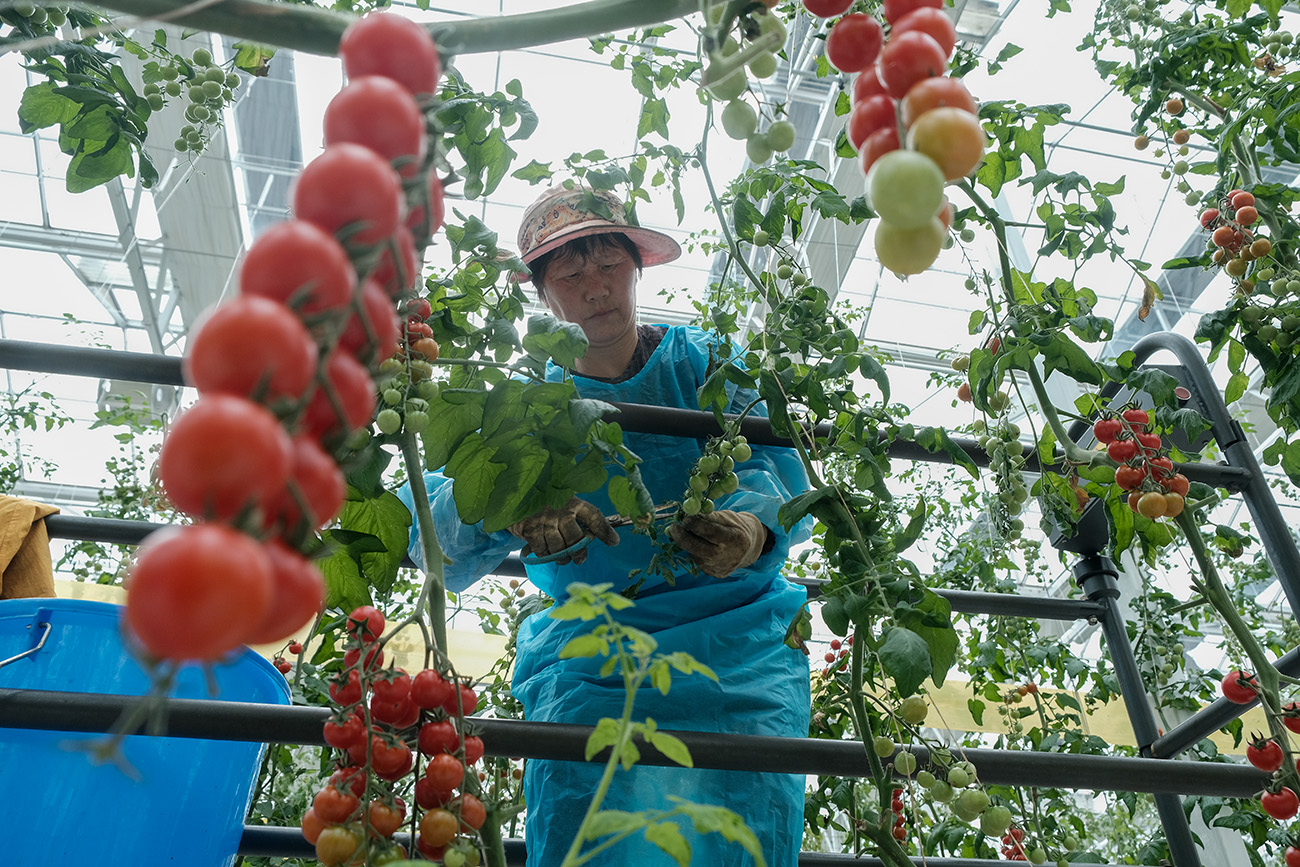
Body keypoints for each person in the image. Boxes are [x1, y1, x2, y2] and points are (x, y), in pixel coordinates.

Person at [399, 185, 811, 867]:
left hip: (742, 642)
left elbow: (783, 469)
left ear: (636, 268)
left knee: (743, 830)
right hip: (595, 648)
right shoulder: (523, 403)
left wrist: (752, 529)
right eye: (569, 270)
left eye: (607, 262)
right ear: (543, 294)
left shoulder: (707, 364)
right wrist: (517, 508)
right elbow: (428, 527)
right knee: (591, 828)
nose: (594, 286)